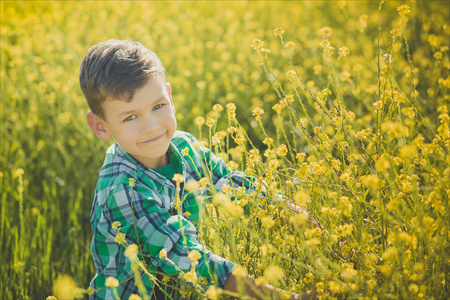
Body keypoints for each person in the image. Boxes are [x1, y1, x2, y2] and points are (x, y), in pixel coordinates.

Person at [80, 39, 315, 300]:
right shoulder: (120, 188)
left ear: (169, 97)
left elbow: (228, 183)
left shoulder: (184, 145)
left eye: (158, 106)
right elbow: (187, 257)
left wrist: (289, 212)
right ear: (100, 126)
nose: (152, 127)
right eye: (130, 117)